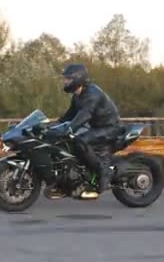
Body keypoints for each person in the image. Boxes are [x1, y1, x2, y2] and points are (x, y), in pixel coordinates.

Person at [44, 63, 122, 200]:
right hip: (97, 128)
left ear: (77, 79)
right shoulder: (77, 96)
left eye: (68, 79)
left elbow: (85, 115)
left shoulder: (92, 93)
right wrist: (51, 126)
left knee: (81, 141)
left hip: (110, 128)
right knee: (69, 142)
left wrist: (68, 129)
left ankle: (104, 172)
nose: (65, 81)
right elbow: (69, 116)